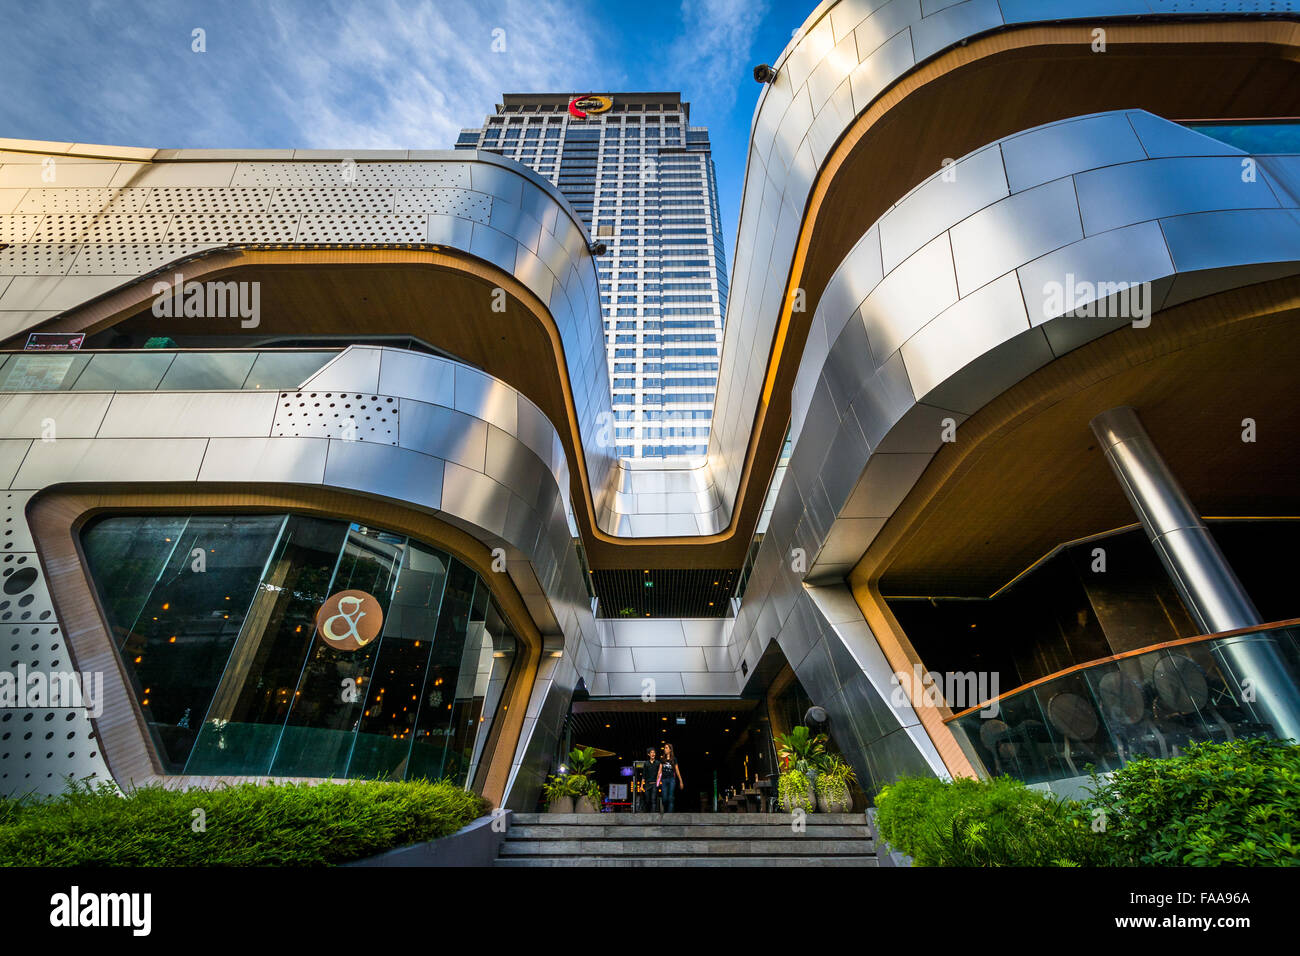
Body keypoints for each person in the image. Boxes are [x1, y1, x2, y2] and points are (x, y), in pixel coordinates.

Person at [657, 742, 684, 812]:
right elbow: (659, 771)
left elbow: (677, 771)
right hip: (664, 780)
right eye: (664, 748)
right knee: (664, 798)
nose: (665, 749)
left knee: (671, 797)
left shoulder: (674, 759)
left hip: (672, 779)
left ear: (670, 750)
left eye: (666, 748)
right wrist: (657, 781)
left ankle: (670, 815)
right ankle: (665, 810)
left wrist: (681, 781)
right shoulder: (662, 759)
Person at [641, 747, 661, 813]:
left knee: (653, 800)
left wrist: (658, 783)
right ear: (649, 754)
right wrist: (641, 786)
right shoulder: (646, 763)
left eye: (654, 752)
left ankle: (653, 816)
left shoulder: (658, 763)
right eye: (651, 752)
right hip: (647, 784)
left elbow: (660, 774)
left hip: (655, 784)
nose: (653, 754)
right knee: (647, 800)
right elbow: (643, 775)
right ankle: (647, 815)